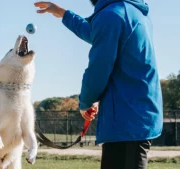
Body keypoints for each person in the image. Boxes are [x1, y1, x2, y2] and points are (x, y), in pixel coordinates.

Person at [34, 1, 163, 169]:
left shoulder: (112, 16)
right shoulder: (130, 12)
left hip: (127, 119)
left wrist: (86, 102)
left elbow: (98, 69)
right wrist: (63, 13)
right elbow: (95, 32)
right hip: (134, 115)